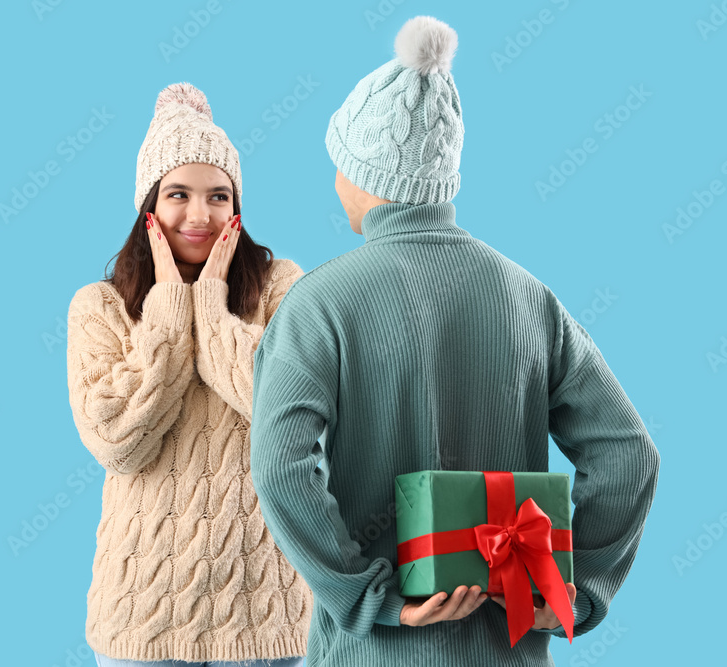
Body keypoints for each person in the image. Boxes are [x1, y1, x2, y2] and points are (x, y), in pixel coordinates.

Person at [248, 16, 660, 667]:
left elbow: (279, 465)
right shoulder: (530, 298)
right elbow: (629, 452)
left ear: (369, 173)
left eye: (340, 163)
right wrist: (573, 593)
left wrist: (364, 595)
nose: (334, 181)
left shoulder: (317, 304)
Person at [66, 82, 310, 667]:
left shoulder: (280, 288)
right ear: (148, 206)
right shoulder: (99, 306)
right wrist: (172, 309)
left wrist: (211, 305)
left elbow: (294, 411)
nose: (200, 215)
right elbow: (118, 441)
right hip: (141, 615)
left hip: (265, 610)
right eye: (178, 194)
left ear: (237, 207)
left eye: (218, 196)